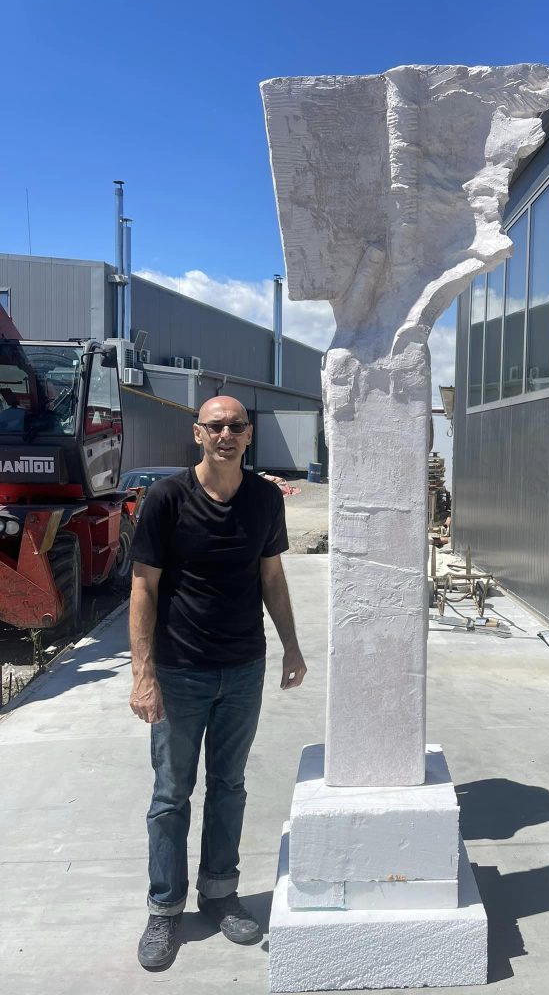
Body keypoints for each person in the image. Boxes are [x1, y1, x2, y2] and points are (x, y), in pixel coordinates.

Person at [128, 396, 307, 969]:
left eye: (236, 426)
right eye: (216, 426)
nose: (226, 434)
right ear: (198, 433)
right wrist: (143, 674)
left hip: (244, 667)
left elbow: (272, 577)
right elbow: (143, 587)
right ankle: (165, 909)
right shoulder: (167, 498)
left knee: (229, 786)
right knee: (170, 794)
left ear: (249, 435)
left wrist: (291, 645)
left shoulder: (264, 499)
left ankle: (220, 893)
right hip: (179, 670)